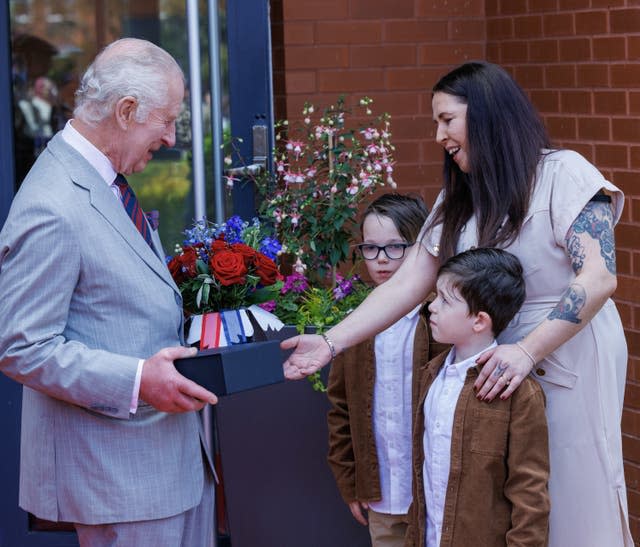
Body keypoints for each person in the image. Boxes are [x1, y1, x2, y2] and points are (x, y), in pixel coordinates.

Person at [283, 60, 633, 546]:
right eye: (435, 123)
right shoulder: (459, 201)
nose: (439, 135)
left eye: (447, 119)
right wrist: (329, 342)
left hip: (566, 354)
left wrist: (526, 351)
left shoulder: (563, 173)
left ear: (487, 113)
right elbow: (405, 286)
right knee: (494, 502)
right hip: (489, 361)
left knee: (568, 493)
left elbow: (598, 277)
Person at [0, 38, 218, 546]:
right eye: (166, 120)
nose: (170, 137)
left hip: (164, 470)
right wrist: (139, 380)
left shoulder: (102, 178)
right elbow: (21, 347)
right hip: (120, 482)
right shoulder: (53, 203)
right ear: (125, 111)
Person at [405, 247, 549, 546]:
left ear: (479, 320)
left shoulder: (518, 393)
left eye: (445, 300)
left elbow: (529, 490)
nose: (432, 307)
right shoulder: (431, 376)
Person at [327, 193, 437, 547]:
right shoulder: (356, 328)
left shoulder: (440, 322)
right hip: (383, 496)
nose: (381, 260)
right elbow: (340, 410)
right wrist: (351, 482)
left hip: (434, 497)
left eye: (394, 248)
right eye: (370, 248)